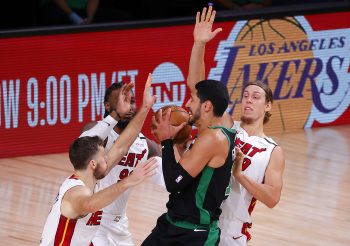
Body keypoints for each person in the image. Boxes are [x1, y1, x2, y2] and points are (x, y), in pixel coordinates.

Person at [186, 5, 285, 245]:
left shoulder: (273, 150)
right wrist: (199, 44)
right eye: (246, 95)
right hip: (199, 223)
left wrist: (239, 175)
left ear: (269, 106)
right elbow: (199, 89)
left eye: (256, 96)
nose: (249, 99)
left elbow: (272, 198)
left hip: (232, 233)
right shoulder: (229, 124)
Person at [40, 73, 157, 246]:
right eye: (105, 157)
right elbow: (87, 205)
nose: (109, 159)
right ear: (93, 164)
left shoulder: (86, 180)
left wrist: (145, 107)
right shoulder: (77, 192)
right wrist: (127, 182)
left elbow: (121, 146)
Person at [142, 75, 242, 245]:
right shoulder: (212, 134)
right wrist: (177, 145)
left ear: (207, 106)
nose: (187, 104)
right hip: (172, 224)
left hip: (194, 235)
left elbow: (174, 183)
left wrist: (166, 142)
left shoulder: (212, 138)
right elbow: (186, 177)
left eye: (193, 99)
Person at [80, 80, 165, 246]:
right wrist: (116, 115)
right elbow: (86, 142)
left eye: (132, 101)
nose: (129, 106)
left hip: (119, 225)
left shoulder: (145, 145)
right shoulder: (97, 132)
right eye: (122, 100)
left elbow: (174, 174)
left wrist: (172, 141)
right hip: (92, 219)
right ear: (107, 105)